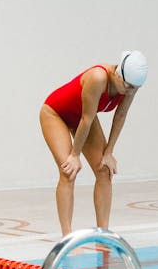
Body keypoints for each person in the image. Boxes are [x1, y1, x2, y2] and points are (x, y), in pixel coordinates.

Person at [40, 50, 147, 236]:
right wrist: (75, 155)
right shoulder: (98, 77)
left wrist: (109, 152)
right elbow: (87, 120)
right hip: (56, 113)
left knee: (104, 171)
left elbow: (121, 115)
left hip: (81, 118)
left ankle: (103, 235)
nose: (130, 91)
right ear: (117, 73)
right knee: (69, 171)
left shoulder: (131, 85)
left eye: (134, 88)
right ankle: (66, 238)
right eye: (128, 86)